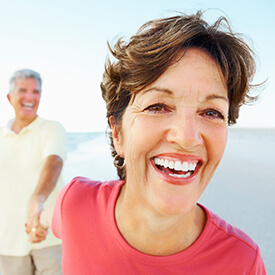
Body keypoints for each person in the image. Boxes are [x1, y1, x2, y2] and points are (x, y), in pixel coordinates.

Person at [52, 11, 266, 274]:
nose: (187, 137)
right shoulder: (74, 201)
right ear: (118, 132)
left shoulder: (242, 262)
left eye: (212, 112)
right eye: (158, 106)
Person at [0, 69, 66, 275]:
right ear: (10, 98)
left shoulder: (52, 128)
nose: (30, 97)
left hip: (49, 236)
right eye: (23, 90)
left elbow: (54, 161)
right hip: (8, 242)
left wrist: (37, 199)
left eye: (35, 92)